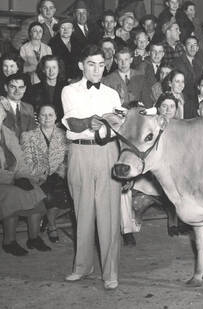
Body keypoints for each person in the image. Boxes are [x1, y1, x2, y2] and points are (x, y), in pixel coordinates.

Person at [62, 45, 121, 290]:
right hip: (80, 153)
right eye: (91, 64)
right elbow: (73, 123)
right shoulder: (69, 90)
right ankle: (82, 267)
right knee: (82, 214)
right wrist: (91, 120)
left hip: (108, 152)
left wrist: (112, 122)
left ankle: (110, 273)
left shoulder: (112, 94)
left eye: (100, 64)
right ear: (81, 65)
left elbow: (118, 124)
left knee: (109, 216)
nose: (96, 69)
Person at [0, 105, 50, 256]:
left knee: (34, 189)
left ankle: (34, 238)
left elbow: (20, 160)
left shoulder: (7, 133)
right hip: (4, 182)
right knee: (13, 195)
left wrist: (29, 176)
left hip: (12, 178)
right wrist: (13, 179)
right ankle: (9, 242)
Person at [21, 104, 68, 242]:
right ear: (37, 117)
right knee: (48, 196)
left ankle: (47, 219)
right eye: (43, 115)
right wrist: (42, 172)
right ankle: (52, 225)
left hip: (61, 175)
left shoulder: (65, 135)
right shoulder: (28, 136)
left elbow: (68, 157)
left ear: (56, 117)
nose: (47, 118)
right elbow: (27, 161)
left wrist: (62, 170)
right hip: (39, 176)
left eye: (50, 115)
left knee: (70, 195)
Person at [28, 55, 66, 121]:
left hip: (61, 126)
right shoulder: (34, 89)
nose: (51, 71)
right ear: (43, 70)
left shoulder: (66, 88)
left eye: (54, 67)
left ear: (59, 69)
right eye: (48, 67)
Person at [1, 73, 36, 139]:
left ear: (25, 89)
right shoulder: (1, 105)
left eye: (21, 87)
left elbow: (32, 133)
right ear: (6, 88)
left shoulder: (29, 108)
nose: (17, 91)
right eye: (13, 87)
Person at [171, 36, 202, 101]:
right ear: (184, 48)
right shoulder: (177, 62)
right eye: (189, 44)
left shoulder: (199, 63)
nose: (192, 47)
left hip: (196, 97)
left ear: (197, 48)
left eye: (194, 45)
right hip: (182, 97)